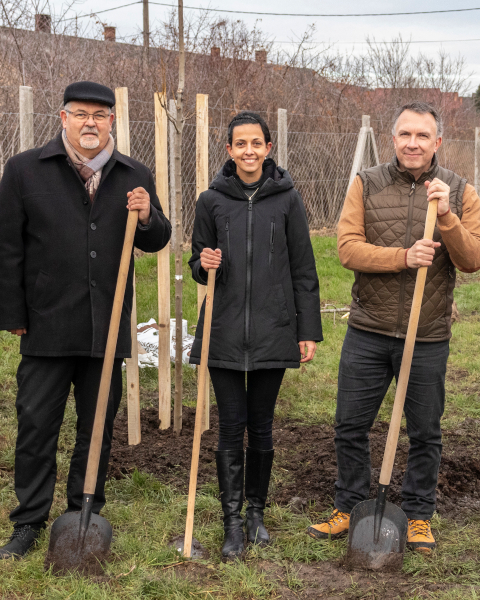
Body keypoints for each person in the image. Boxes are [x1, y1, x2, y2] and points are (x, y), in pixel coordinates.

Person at [0, 81, 171, 559]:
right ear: (63, 117)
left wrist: (149, 214)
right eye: (80, 113)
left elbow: (157, 239)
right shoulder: (26, 170)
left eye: (100, 114)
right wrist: (12, 315)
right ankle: (28, 522)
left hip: (105, 331)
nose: (91, 122)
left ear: (112, 121)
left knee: (96, 428)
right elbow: (5, 248)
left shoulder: (134, 174)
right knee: (36, 425)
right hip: (46, 325)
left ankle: (82, 511)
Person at [306, 101, 480, 554]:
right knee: (350, 425)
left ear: (437, 142)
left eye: (422, 136)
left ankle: (420, 515)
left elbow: (474, 261)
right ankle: (348, 505)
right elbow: (347, 249)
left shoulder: (461, 192)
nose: (413, 143)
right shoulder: (366, 184)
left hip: (426, 337)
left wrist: (445, 217)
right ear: (393, 139)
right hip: (369, 329)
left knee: (425, 431)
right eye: (405, 134)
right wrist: (402, 258)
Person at [188, 111, 323, 561]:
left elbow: (304, 268)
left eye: (256, 143)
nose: (249, 151)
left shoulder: (287, 200)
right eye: (239, 144)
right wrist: (202, 263)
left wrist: (307, 330)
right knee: (231, 427)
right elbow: (195, 264)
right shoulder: (211, 201)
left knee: (262, 427)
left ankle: (256, 514)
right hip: (223, 331)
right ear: (228, 150)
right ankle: (230, 522)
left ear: (268, 148)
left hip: (272, 329)